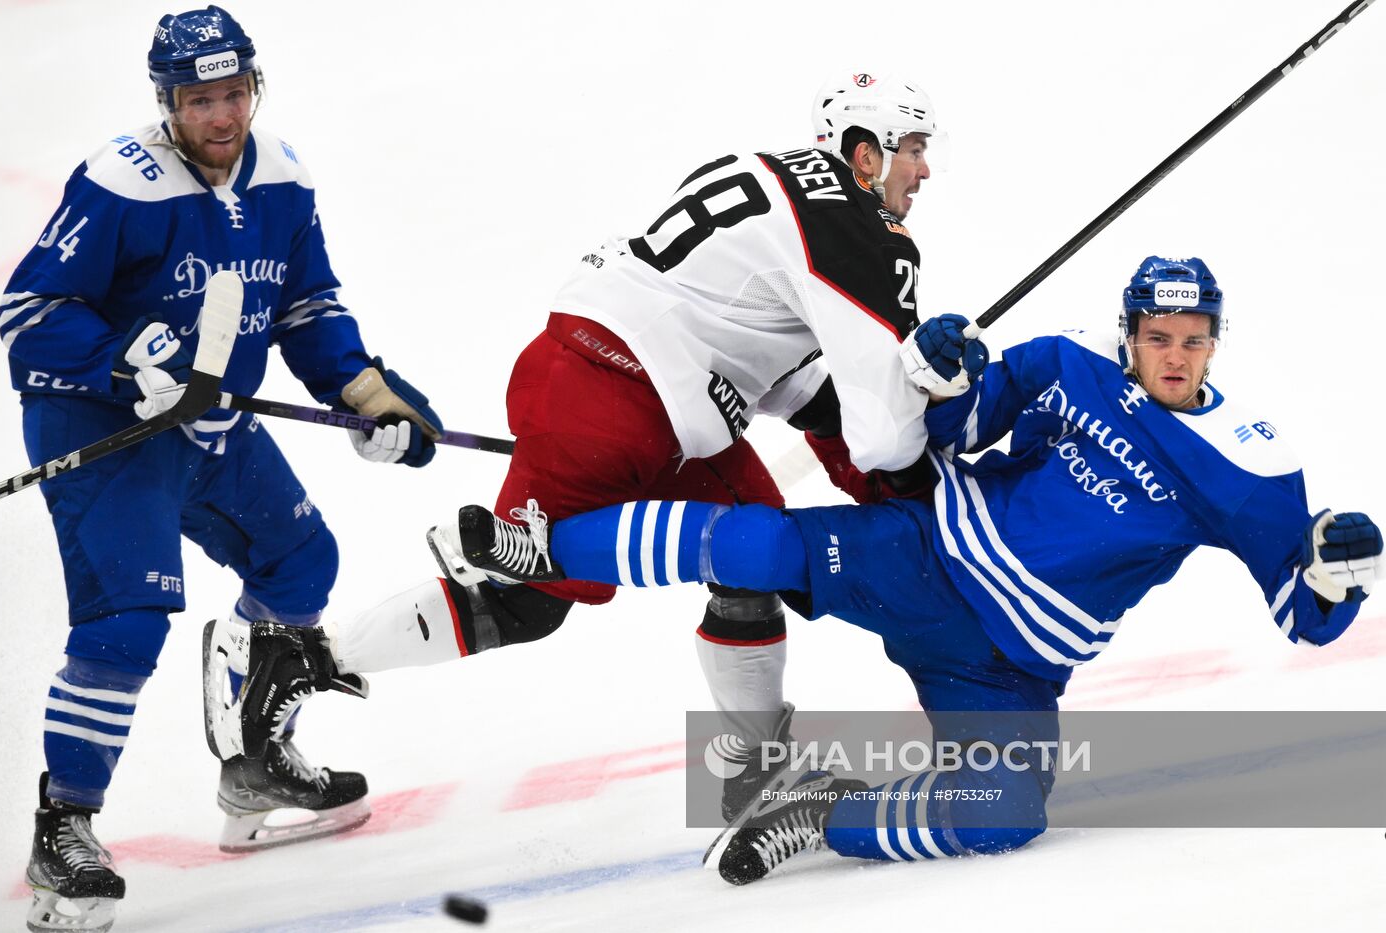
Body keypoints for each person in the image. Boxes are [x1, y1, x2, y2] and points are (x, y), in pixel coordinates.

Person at [444, 255, 1383, 885]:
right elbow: (955, 430)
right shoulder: (1068, 366)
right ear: (1130, 332)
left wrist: (1341, 572)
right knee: (757, 547)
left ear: (1216, 340)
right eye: (1158, 335)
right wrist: (945, 372)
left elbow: (1305, 613)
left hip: (1008, 667)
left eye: (1193, 337)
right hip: (925, 555)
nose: (1175, 355)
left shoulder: (1249, 465)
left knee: (1008, 811)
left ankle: (824, 812)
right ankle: (544, 547)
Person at [279, 72, 950, 821]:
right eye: (913, 149)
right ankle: (306, 656)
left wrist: (863, 454)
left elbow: (775, 361)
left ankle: (756, 765)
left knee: (758, 543)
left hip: (605, 382)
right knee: (532, 600)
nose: (924, 169)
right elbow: (883, 431)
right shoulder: (859, 232)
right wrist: (919, 481)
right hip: (616, 405)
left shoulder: (763, 170)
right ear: (865, 153)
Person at [0, 7, 443, 930]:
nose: (222, 115)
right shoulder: (120, 182)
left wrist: (366, 393)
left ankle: (254, 762)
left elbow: (306, 305)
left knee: (299, 561)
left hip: (209, 420)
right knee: (128, 620)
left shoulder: (281, 176)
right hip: (103, 425)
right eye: (200, 100)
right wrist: (127, 365)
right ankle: (63, 826)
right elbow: (30, 312)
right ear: (168, 101)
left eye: (235, 93)